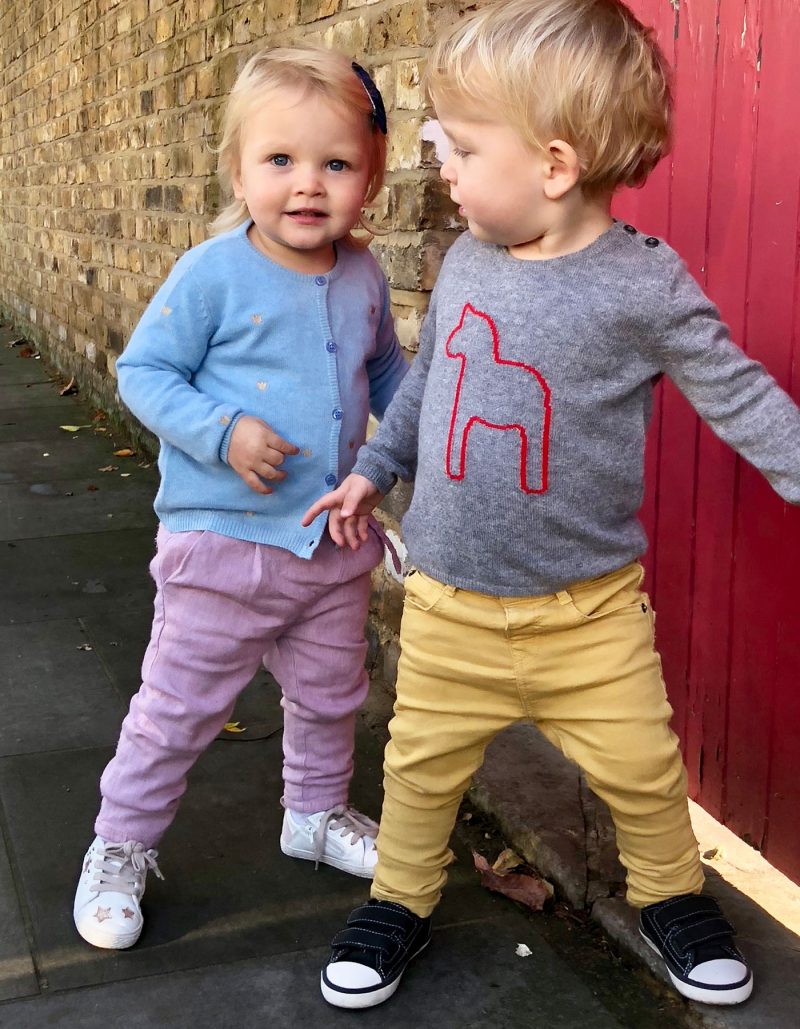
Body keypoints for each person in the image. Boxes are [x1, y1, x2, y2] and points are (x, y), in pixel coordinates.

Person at [302, 0, 800, 1010]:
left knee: (644, 770)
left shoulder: (641, 288)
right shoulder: (466, 267)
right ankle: (400, 898)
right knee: (419, 767)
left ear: (554, 166)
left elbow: (740, 394)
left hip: (588, 616)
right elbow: (430, 390)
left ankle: (668, 893)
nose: (439, 161)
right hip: (449, 605)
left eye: (461, 144)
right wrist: (373, 470)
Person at [73, 45, 408, 951]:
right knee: (177, 706)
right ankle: (121, 842)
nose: (308, 185)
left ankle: (315, 811)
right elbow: (143, 370)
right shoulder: (213, 273)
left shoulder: (365, 277)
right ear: (238, 169)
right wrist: (222, 432)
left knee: (332, 693)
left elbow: (388, 374)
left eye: (336, 164)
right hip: (222, 544)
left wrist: (416, 436)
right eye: (281, 161)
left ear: (369, 179)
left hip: (331, 548)